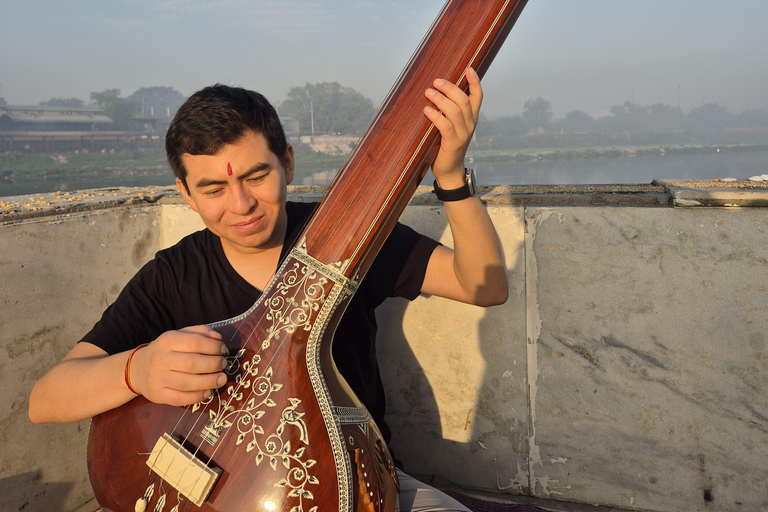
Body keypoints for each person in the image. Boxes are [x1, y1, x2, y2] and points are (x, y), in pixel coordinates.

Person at [29, 67, 507, 512]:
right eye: (213, 189)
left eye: (257, 177)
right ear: (186, 194)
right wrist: (139, 369)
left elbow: (482, 286)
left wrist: (449, 176)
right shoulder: (174, 274)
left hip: (349, 483)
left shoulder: (343, 238)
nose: (241, 205)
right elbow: (46, 399)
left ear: (288, 164)